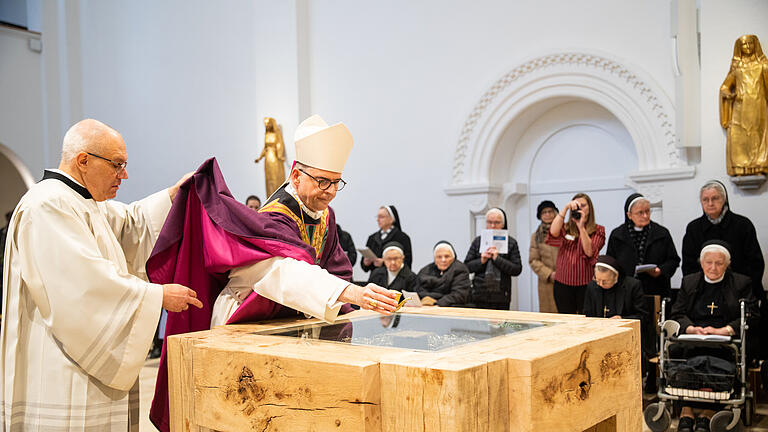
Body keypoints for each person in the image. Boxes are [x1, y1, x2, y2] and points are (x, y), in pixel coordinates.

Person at [148, 115, 399, 431]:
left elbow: (335, 267)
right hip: (246, 321)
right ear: (296, 175)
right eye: (322, 181)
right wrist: (351, 294)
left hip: (290, 322)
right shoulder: (274, 217)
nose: (331, 192)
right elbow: (283, 273)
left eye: (337, 182)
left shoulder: (324, 215)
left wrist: (350, 296)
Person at [0, 119, 203, 431]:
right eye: (117, 164)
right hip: (62, 372)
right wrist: (157, 296)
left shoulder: (83, 203)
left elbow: (130, 225)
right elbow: (82, 287)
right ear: (84, 160)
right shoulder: (48, 205)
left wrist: (173, 195)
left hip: (83, 372)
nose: (124, 175)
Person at [670, 241, 759, 432]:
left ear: (727, 264)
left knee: (719, 362)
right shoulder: (690, 282)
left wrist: (724, 330)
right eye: (708, 262)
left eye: (719, 263)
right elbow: (677, 313)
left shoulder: (741, 283)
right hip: (694, 338)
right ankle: (686, 409)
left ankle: (708, 412)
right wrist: (691, 329)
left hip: (725, 342)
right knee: (680, 355)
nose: (713, 268)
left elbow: (752, 315)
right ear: (701, 263)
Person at [546, 193, 605, 314]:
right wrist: (565, 208)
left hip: (586, 284)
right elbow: (553, 232)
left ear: (590, 208)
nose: (580, 209)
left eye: (583, 205)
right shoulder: (566, 227)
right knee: (566, 320)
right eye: (576, 206)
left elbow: (589, 252)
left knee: (585, 320)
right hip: (563, 283)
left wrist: (581, 227)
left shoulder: (598, 230)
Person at [719, 34, 768, 176]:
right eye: (744, 45)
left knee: (757, 136)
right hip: (740, 107)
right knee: (740, 136)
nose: (747, 47)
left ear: (755, 45)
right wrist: (728, 94)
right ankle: (741, 168)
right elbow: (725, 86)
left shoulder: (763, 65)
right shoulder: (737, 67)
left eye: (750, 44)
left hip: (758, 106)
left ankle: (759, 166)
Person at [464, 208, 522, 310]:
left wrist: (497, 259)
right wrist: (481, 260)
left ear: (503, 225)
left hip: (501, 295)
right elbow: (466, 267)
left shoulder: (511, 242)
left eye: (497, 223)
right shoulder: (478, 241)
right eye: (489, 222)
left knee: (500, 325)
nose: (492, 226)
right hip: (479, 294)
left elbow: (517, 269)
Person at [583, 255, 647, 322]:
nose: (601, 284)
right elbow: (587, 315)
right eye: (597, 280)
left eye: (605, 281)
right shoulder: (592, 286)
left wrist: (622, 319)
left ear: (616, 277)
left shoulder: (632, 286)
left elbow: (643, 316)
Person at [361, 205, 413, 274]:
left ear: (391, 219)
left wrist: (385, 262)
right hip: (375, 278)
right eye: (377, 217)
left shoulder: (402, 237)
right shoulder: (372, 238)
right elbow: (365, 267)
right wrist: (365, 263)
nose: (378, 220)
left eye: (381, 217)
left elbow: (407, 262)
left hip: (397, 279)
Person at [417, 241, 470, 307]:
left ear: (453, 258)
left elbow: (459, 295)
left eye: (447, 256)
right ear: (435, 259)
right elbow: (419, 291)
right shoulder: (425, 271)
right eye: (439, 257)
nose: (443, 260)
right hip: (426, 305)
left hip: (450, 307)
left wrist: (437, 303)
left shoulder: (460, 270)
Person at [529, 200, 559, 313]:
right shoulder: (536, 236)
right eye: (544, 212)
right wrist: (549, 274)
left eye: (550, 211)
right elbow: (533, 260)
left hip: (566, 280)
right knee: (549, 315)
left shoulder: (564, 231)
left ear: (555, 213)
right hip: (547, 283)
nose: (547, 215)